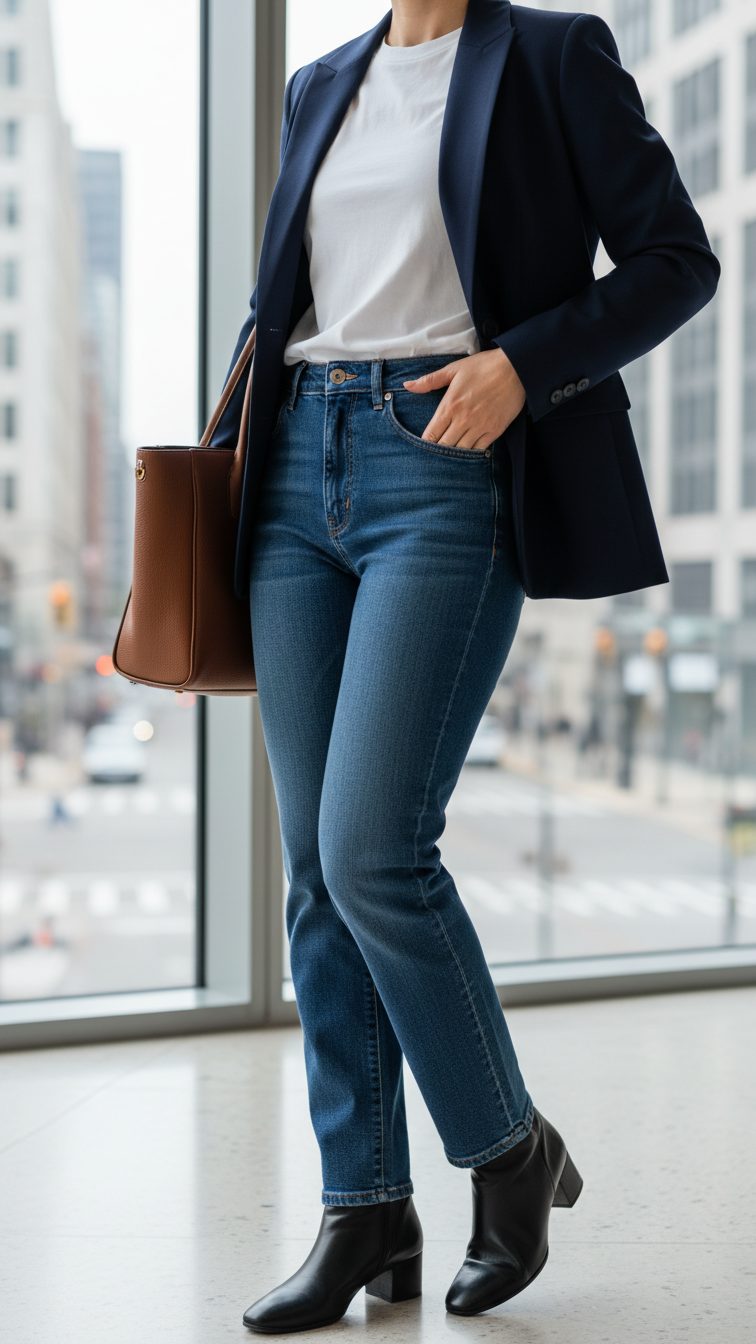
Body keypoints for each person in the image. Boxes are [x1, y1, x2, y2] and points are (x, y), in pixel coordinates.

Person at [210, 0, 719, 1332]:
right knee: (318, 873)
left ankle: (507, 1153)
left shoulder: (553, 53)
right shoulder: (321, 81)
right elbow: (293, 297)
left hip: (442, 463)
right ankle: (362, 1209)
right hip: (294, 479)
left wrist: (522, 366)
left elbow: (676, 260)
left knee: (375, 843)